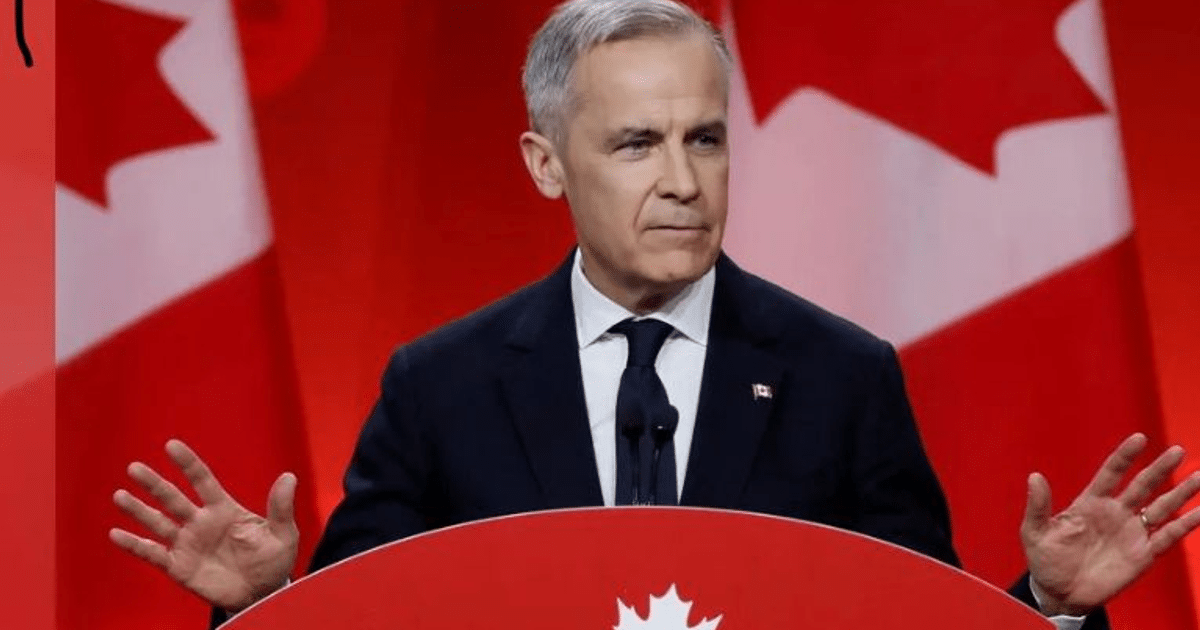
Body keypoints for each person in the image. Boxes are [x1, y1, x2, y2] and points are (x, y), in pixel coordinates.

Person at [109, 1, 1200, 628]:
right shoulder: (439, 386)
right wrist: (257, 611)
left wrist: (1049, 607)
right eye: (636, 143)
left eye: (706, 138)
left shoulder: (842, 374)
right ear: (547, 165)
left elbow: (904, 623)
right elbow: (374, 626)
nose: (682, 179)